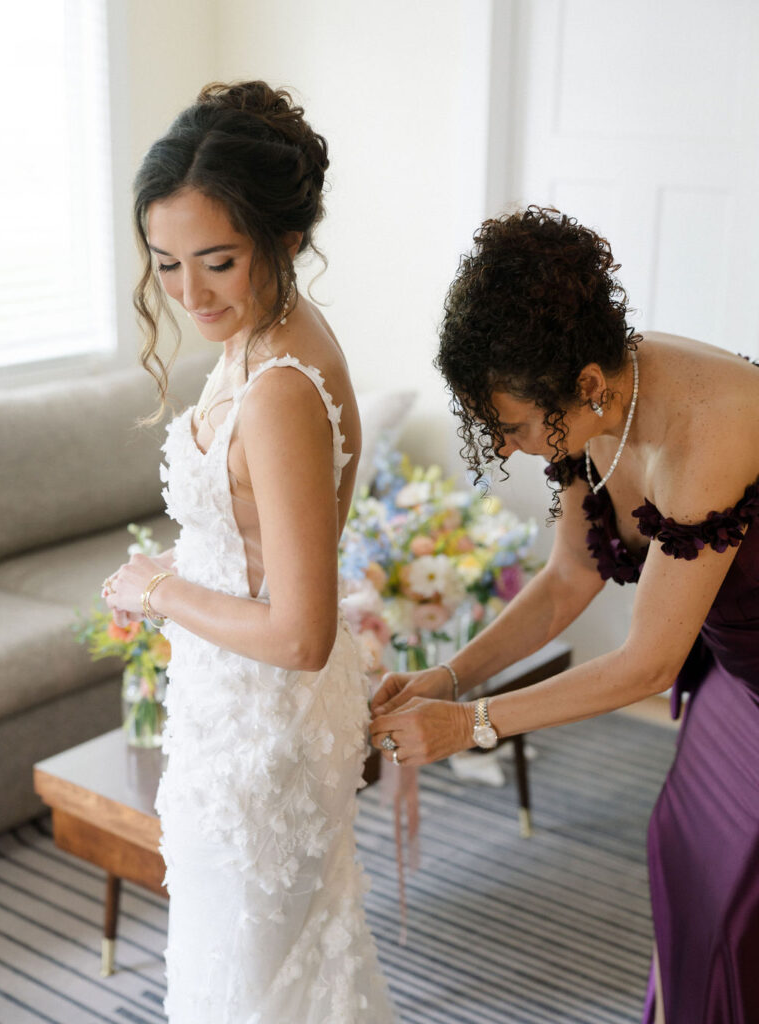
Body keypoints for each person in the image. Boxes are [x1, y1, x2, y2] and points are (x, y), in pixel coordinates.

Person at [370, 207, 759, 1023]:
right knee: (682, 851)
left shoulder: (716, 425)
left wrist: (468, 725)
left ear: (583, 385)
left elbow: (647, 664)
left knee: (737, 913)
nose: (506, 447)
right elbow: (566, 582)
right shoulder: (597, 404)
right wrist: (447, 676)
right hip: (738, 674)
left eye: (509, 426)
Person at [102, 81, 395, 1023]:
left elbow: (302, 633)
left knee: (250, 984)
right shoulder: (270, 339)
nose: (189, 294)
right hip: (238, 704)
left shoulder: (278, 389)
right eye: (167, 263)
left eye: (218, 261)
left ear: (286, 238)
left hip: (264, 731)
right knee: (267, 971)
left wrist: (161, 589)